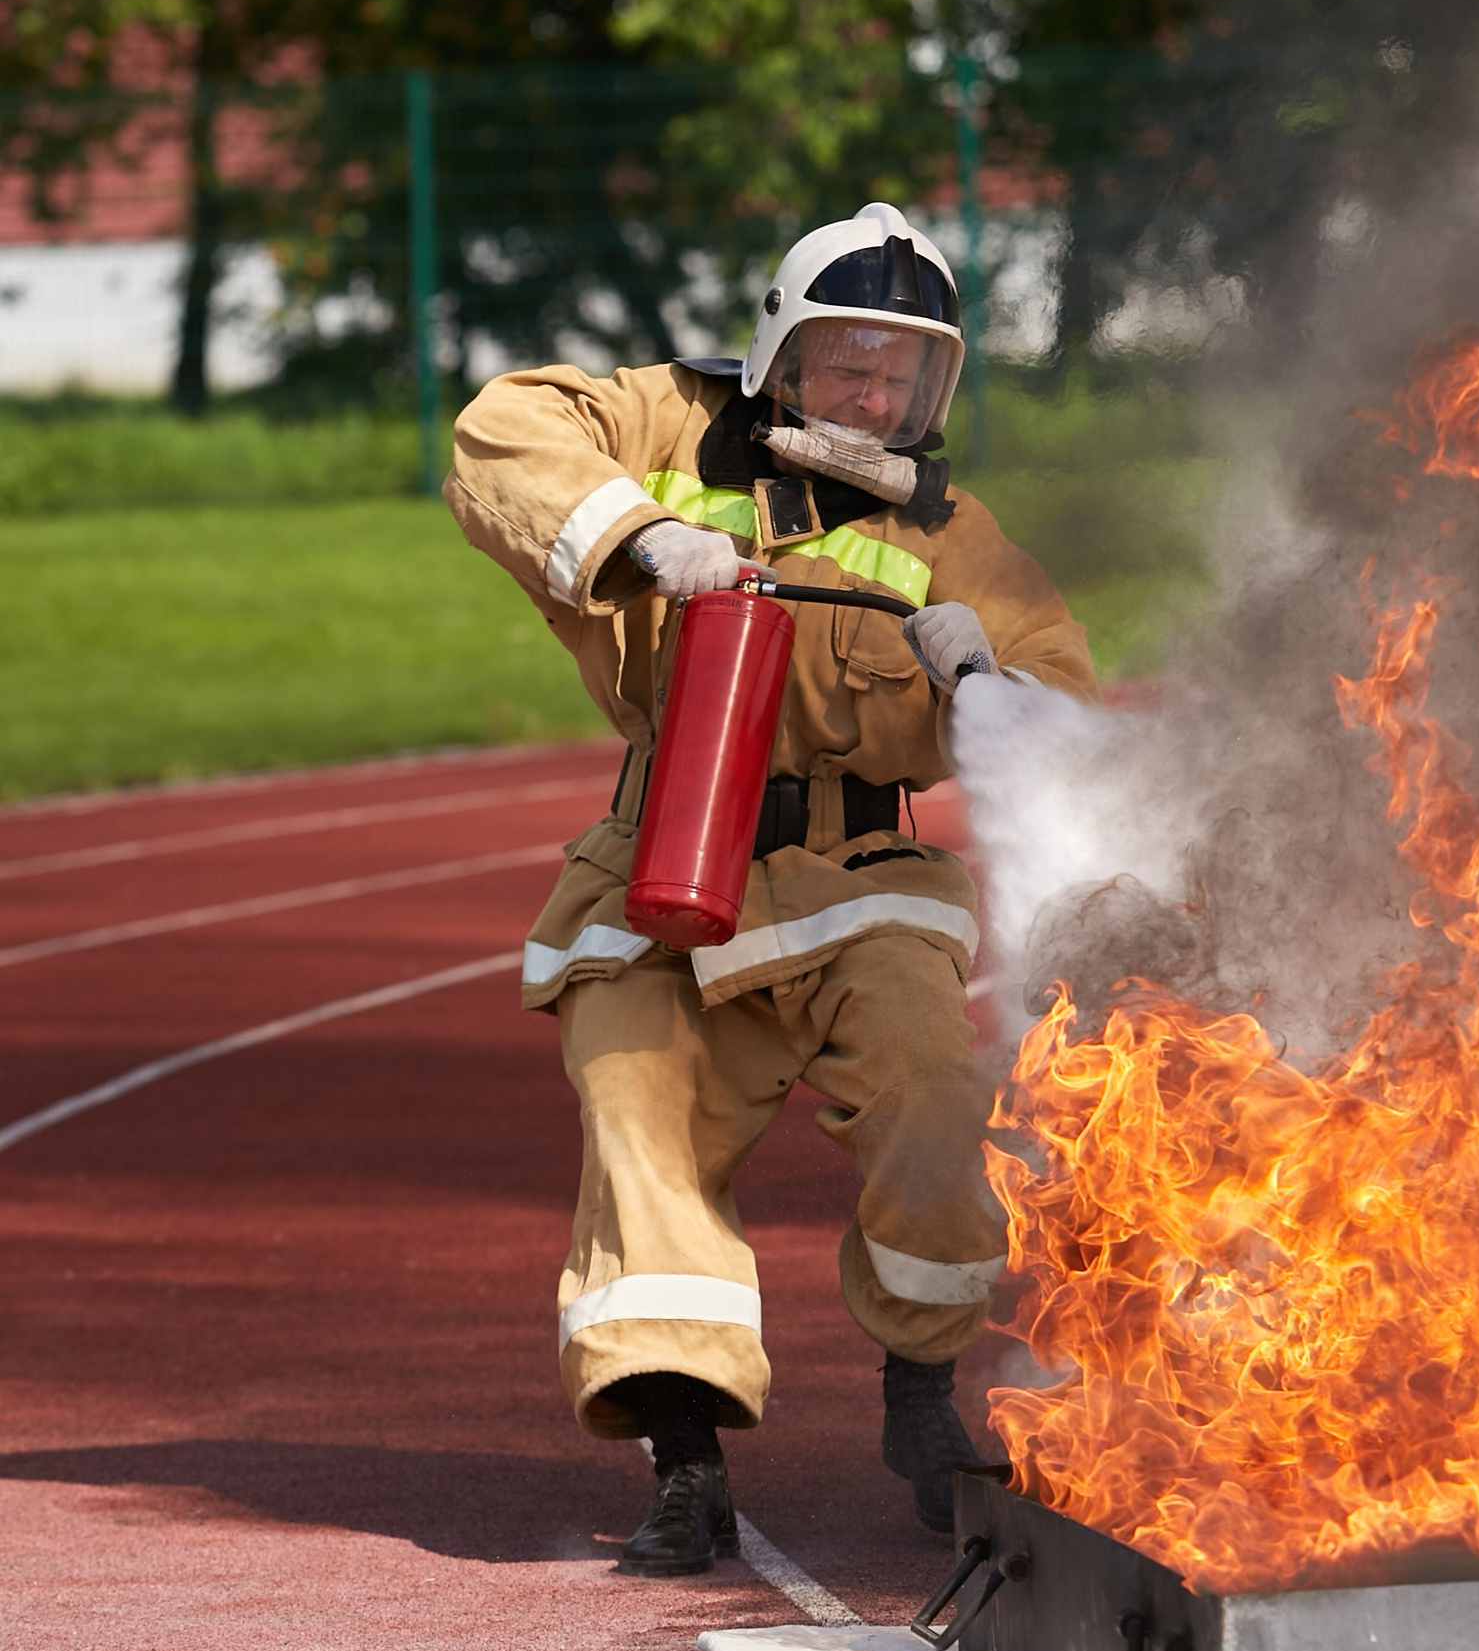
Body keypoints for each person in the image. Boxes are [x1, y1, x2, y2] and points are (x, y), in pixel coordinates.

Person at [443, 203, 1095, 1575]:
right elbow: (501, 434)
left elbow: (1066, 698)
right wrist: (639, 535)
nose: (873, 399)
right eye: (847, 365)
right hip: (670, 859)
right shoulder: (668, 425)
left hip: (866, 880)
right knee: (642, 1121)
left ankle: (922, 1397)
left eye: (902, 376)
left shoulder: (954, 532)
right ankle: (686, 1463)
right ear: (781, 354)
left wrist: (989, 670)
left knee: (937, 1096)